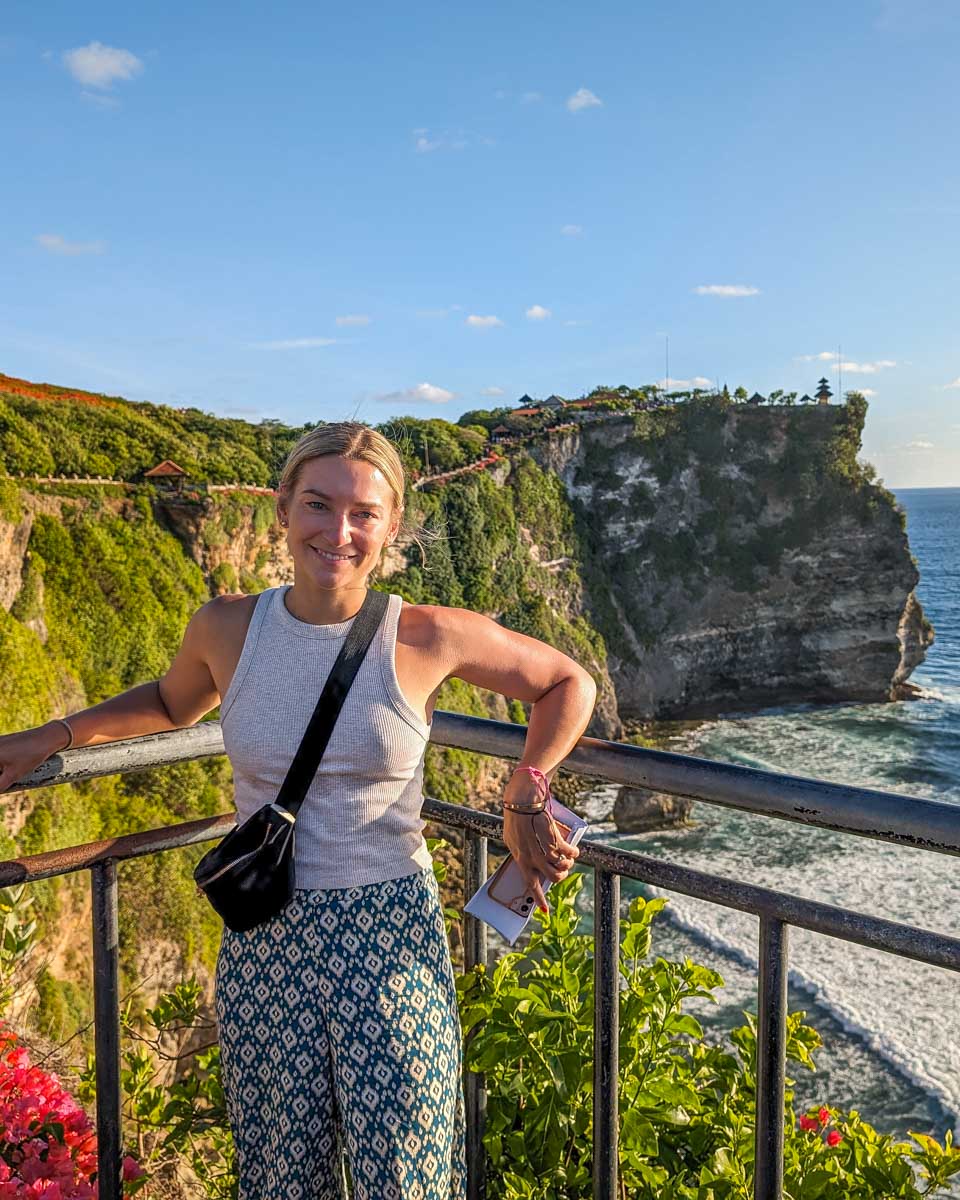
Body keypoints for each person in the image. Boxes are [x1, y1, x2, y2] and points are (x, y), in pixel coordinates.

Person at [0, 421, 597, 1199]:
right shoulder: (228, 627)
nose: (338, 531)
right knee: (283, 1177)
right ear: (282, 507)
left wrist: (528, 788)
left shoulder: (424, 634)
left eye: (364, 514)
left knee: (407, 1174)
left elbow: (567, 684)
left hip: (390, 935)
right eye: (318, 504)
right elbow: (170, 701)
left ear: (390, 526)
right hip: (266, 934)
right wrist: (55, 733)